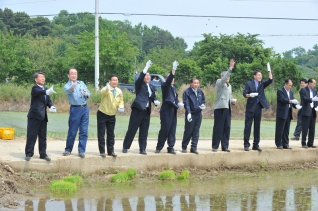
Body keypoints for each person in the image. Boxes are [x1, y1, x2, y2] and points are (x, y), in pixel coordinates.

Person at [122, 60, 160, 155]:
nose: (147, 77)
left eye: (149, 75)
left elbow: (152, 96)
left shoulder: (151, 86)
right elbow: (140, 78)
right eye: (146, 75)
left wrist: (155, 101)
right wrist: (145, 68)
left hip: (146, 111)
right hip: (138, 110)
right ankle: (125, 146)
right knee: (132, 129)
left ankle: (142, 149)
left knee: (144, 131)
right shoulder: (139, 84)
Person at [25, 72, 56, 161]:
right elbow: (39, 92)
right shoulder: (34, 88)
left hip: (43, 117)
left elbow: (48, 101)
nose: (43, 78)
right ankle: (29, 154)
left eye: (44, 77)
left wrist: (51, 106)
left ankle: (43, 154)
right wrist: (46, 92)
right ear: (36, 79)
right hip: (34, 116)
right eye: (41, 77)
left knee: (43, 137)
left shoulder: (45, 89)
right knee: (32, 135)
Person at [243, 63, 273, 151]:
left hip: (258, 107)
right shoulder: (249, 84)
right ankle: (246, 145)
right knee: (248, 126)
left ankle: (256, 144)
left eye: (261, 75)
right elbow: (244, 94)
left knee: (257, 126)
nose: (260, 76)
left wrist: (269, 70)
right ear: (254, 76)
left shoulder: (262, 83)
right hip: (250, 107)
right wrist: (250, 95)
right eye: (258, 75)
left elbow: (270, 80)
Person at [155, 61, 183, 154]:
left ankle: (171, 147)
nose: (172, 79)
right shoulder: (165, 86)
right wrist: (173, 70)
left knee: (172, 130)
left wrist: (179, 103)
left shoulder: (173, 88)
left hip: (173, 111)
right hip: (166, 111)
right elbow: (168, 100)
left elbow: (175, 98)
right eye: (170, 78)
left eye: (173, 78)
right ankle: (159, 147)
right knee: (165, 129)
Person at [63, 68, 90, 158]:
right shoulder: (67, 85)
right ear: (68, 75)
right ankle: (68, 149)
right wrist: (73, 86)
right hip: (75, 109)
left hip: (85, 108)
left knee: (84, 131)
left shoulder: (81, 83)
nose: (74, 75)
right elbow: (68, 90)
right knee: (72, 130)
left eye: (75, 73)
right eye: (72, 74)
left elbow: (88, 93)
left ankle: (81, 150)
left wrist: (86, 94)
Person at [97, 74, 124, 158]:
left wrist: (121, 106)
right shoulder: (107, 89)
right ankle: (102, 151)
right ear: (110, 81)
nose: (115, 82)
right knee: (101, 133)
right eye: (113, 80)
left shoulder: (119, 91)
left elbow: (121, 101)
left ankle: (111, 151)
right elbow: (102, 92)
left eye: (116, 80)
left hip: (112, 115)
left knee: (111, 134)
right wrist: (107, 88)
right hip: (103, 113)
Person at [212, 59, 236, 152]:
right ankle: (215, 146)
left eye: (229, 77)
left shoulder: (229, 86)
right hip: (220, 108)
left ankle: (225, 146)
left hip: (227, 108)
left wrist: (232, 101)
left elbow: (228, 96)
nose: (228, 78)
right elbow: (223, 79)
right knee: (218, 127)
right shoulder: (219, 82)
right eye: (226, 76)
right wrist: (230, 68)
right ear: (222, 77)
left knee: (227, 127)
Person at [181, 78, 206, 154]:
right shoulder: (187, 92)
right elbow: (186, 103)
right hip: (191, 114)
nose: (196, 85)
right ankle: (184, 146)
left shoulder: (200, 91)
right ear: (191, 83)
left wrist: (202, 105)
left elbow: (203, 100)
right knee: (188, 130)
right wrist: (188, 113)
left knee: (196, 131)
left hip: (198, 113)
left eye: (197, 83)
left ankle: (193, 147)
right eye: (194, 83)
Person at [275, 79, 298, 149]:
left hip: (288, 112)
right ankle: (279, 143)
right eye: (289, 85)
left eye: (291, 85)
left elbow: (292, 102)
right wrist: (291, 101)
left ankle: (286, 143)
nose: (290, 87)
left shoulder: (291, 92)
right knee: (280, 129)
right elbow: (283, 100)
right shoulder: (280, 91)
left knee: (286, 129)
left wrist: (296, 105)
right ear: (285, 84)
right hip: (282, 112)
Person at [300, 78, 318, 148]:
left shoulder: (314, 91)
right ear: (310, 83)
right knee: (305, 128)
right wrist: (312, 99)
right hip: (306, 111)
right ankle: (303, 143)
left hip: (313, 112)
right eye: (314, 83)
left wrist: (316, 106)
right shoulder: (303, 90)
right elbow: (304, 99)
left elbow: (316, 100)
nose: (314, 85)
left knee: (312, 128)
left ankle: (310, 143)